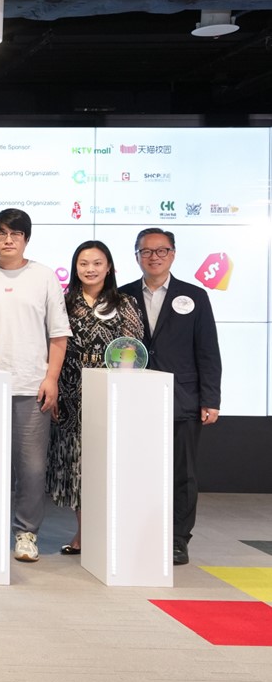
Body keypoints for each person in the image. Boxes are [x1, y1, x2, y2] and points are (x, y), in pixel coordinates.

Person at [0, 208, 71, 563]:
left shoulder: (44, 277)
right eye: (1, 233)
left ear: (26, 238)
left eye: (15, 233)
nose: (8, 240)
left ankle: (26, 533)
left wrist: (51, 379)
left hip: (31, 386)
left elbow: (58, 334)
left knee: (31, 468)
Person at [120, 228, 221, 566]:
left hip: (183, 399)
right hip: (134, 398)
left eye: (161, 250)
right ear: (137, 256)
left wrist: (210, 399)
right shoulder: (122, 296)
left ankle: (178, 539)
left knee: (183, 474)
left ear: (173, 254)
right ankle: (135, 533)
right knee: (136, 470)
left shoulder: (194, 296)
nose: (154, 257)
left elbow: (208, 351)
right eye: (146, 251)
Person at [48, 241, 145, 555]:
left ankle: (112, 531)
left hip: (112, 395)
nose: (90, 269)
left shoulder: (125, 302)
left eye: (97, 263)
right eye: (83, 263)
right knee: (78, 467)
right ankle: (85, 532)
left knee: (109, 464)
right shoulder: (64, 302)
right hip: (71, 396)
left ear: (109, 267)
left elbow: (135, 346)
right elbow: (52, 345)